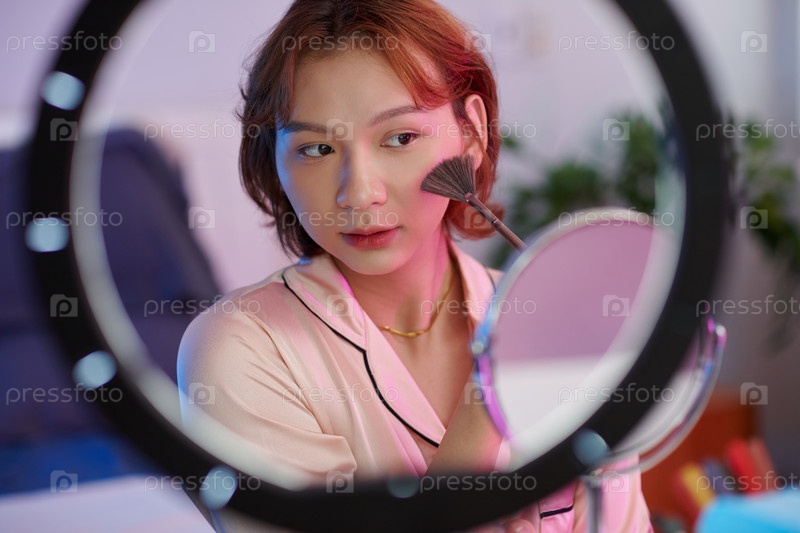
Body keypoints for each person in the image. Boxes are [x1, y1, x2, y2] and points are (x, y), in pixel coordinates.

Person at [177, 0, 653, 530]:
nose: (360, 192)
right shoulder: (239, 351)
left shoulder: (561, 327)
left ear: (471, 134)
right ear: (274, 159)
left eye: (401, 138)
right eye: (316, 149)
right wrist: (492, 384)